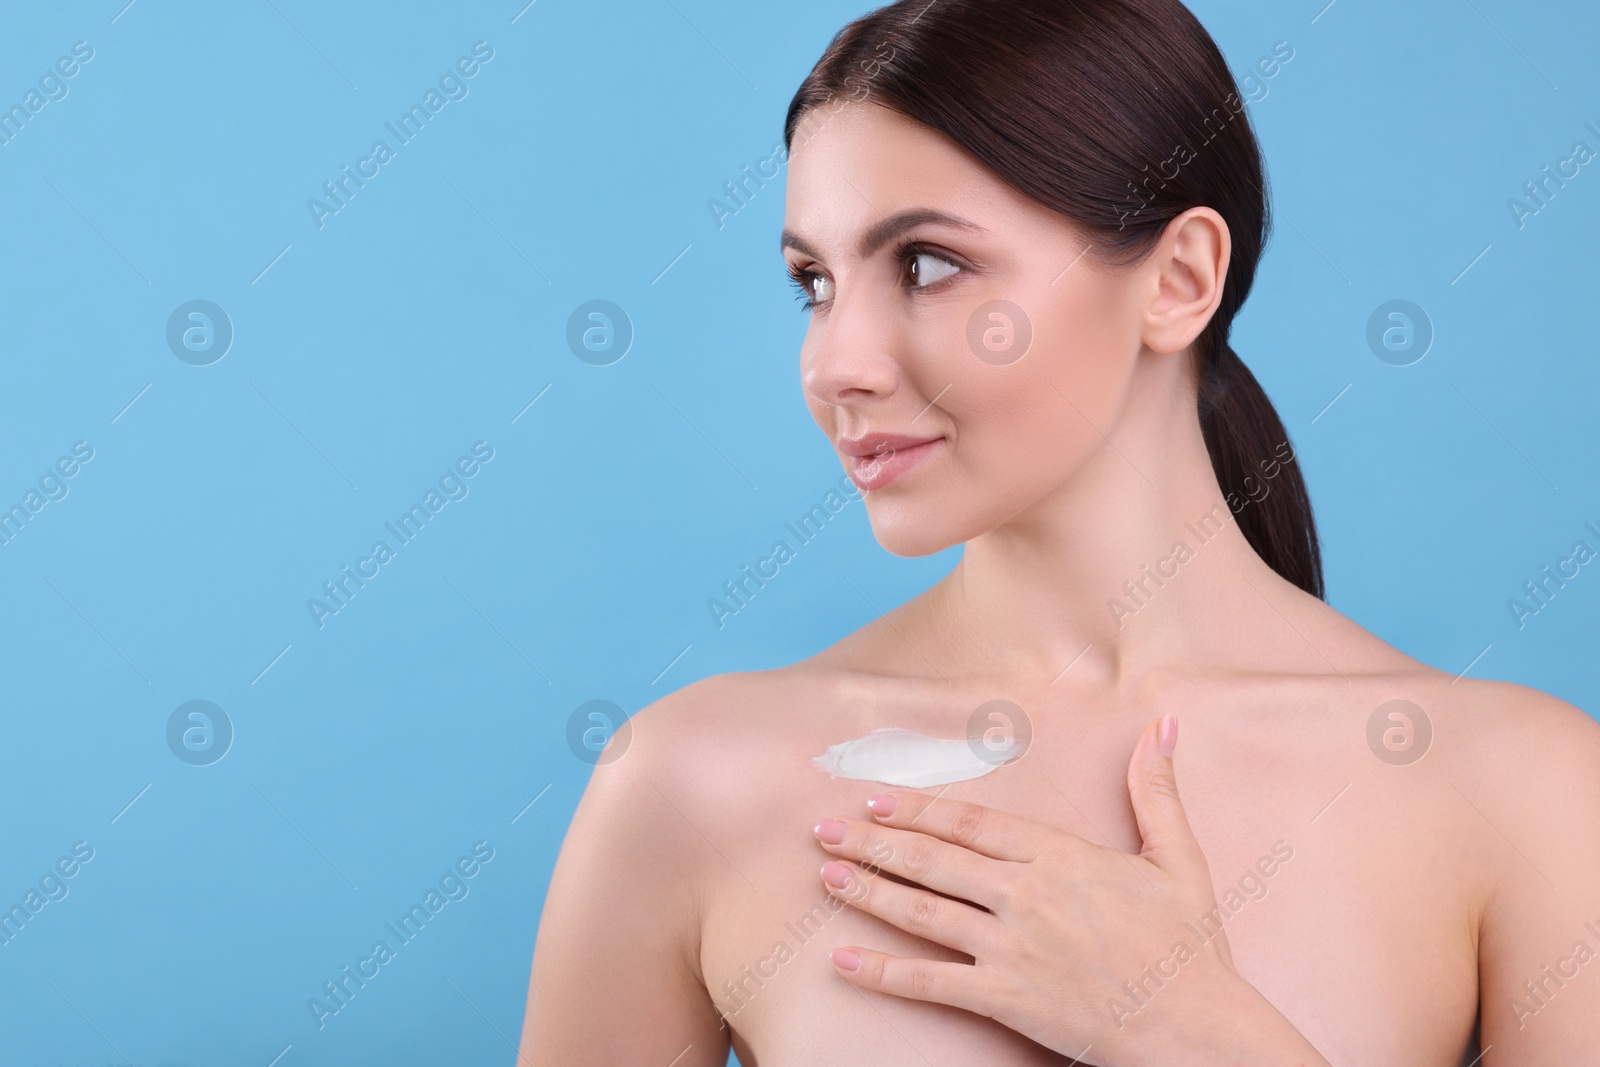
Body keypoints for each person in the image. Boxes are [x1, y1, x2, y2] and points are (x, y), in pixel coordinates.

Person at [518, 1, 1600, 1062]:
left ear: (1178, 281)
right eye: (815, 282)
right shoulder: (687, 781)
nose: (833, 363)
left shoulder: (1521, 790)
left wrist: (1194, 1033)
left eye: (928, 264)